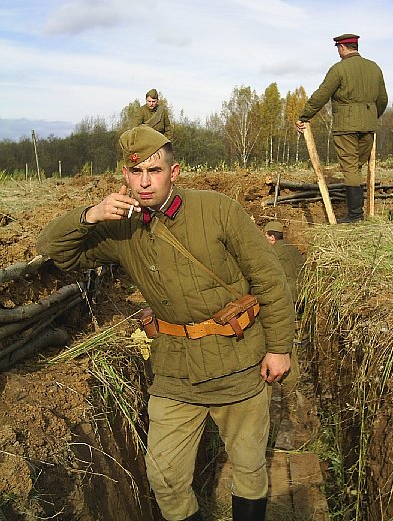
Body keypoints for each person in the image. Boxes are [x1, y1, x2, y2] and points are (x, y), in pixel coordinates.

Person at [37, 125, 295, 521]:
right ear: (125, 176)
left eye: (154, 171)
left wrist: (279, 348)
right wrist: (90, 215)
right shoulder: (119, 228)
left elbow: (269, 278)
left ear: (173, 173)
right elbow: (54, 250)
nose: (144, 182)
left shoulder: (218, 209)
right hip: (176, 371)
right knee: (165, 477)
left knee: (248, 467)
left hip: (238, 361)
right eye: (135, 172)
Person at [296, 33, 388, 223]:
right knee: (357, 166)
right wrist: (370, 117)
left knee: (350, 168)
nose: (338, 51)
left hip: (346, 126)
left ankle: (355, 215)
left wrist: (304, 116)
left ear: (342, 47)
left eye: (338, 48)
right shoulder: (374, 68)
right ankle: (358, 211)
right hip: (368, 126)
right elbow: (383, 99)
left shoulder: (338, 69)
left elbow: (321, 95)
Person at [264, 221, 305, 307]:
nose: (265, 239)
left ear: (272, 237)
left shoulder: (273, 252)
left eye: (266, 236)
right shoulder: (293, 247)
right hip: (303, 293)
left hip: (288, 296)